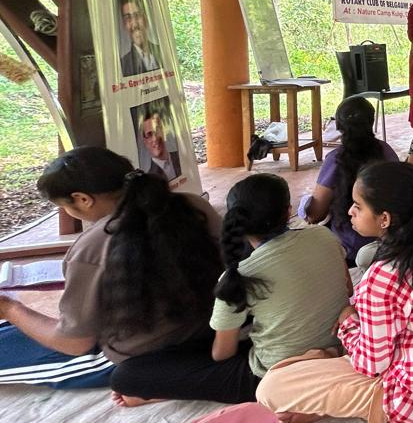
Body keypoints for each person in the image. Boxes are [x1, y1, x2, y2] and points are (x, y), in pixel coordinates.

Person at [256, 162, 413, 423]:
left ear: (385, 219)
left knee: (271, 386)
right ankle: (327, 381)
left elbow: (370, 364)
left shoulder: (384, 276)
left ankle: (347, 390)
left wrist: (348, 323)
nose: (350, 211)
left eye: (358, 206)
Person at [112, 174, 350, 405]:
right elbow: (347, 288)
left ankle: (159, 392)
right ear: (288, 211)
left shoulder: (240, 275)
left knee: (125, 375)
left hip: (277, 376)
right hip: (341, 346)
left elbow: (222, 355)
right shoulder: (323, 235)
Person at [0, 148, 220, 399]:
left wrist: (10, 308)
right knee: (13, 331)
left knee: (13, 338)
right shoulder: (193, 204)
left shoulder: (91, 247)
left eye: (63, 206)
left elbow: (75, 343)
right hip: (214, 329)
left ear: (82, 199)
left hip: (147, 352)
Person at [300, 96, 398, 265]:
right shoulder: (387, 151)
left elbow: (315, 214)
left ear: (339, 126)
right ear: (371, 121)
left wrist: (304, 204)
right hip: (389, 238)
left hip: (349, 247)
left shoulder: (335, 160)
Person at [118, 0, 161, 77]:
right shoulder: (122, 66)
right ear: (124, 24)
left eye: (137, 15)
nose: (134, 24)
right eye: (128, 17)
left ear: (145, 19)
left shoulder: (162, 52)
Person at [135, 103, 181, 180]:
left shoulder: (181, 157)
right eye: (149, 134)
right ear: (145, 141)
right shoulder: (150, 179)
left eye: (157, 130)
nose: (155, 138)